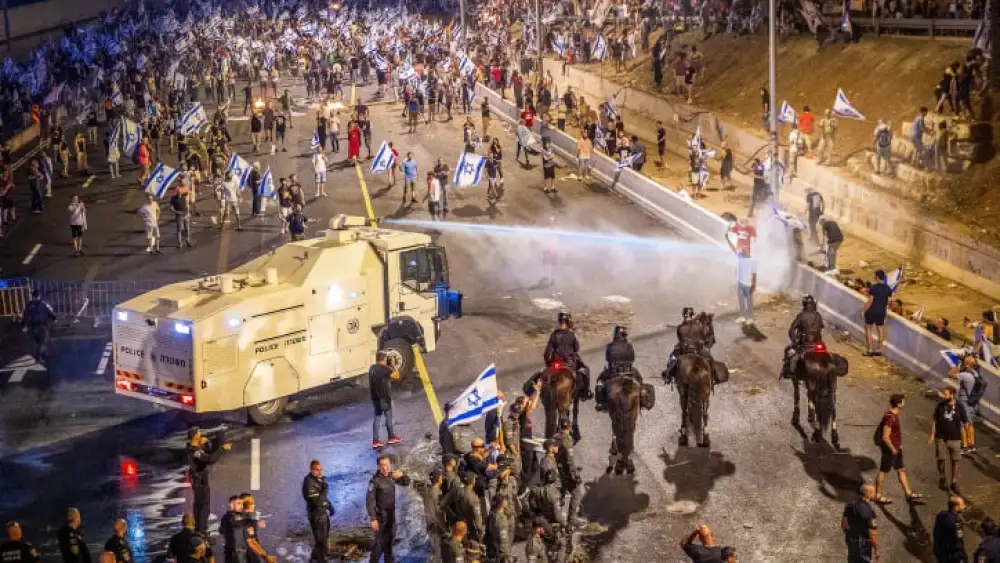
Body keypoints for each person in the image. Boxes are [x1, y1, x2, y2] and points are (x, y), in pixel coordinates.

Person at [875, 393, 921, 504]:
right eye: (903, 401)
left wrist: (898, 445)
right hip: (890, 450)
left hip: (896, 448)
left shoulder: (893, 415)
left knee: (901, 469)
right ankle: (878, 495)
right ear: (898, 404)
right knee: (883, 471)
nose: (904, 403)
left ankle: (908, 493)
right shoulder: (890, 418)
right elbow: (885, 437)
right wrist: (893, 449)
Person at [366, 455, 411, 563]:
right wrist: (373, 518)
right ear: (378, 466)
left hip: (391, 515)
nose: (385, 467)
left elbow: (406, 482)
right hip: (380, 517)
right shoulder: (374, 481)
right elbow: (369, 500)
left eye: (387, 464)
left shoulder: (392, 476)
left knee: (389, 544)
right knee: (379, 544)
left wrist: (402, 475)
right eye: (382, 465)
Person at [187, 426, 232, 533]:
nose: (201, 434)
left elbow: (208, 452)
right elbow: (210, 459)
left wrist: (207, 444)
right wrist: (222, 449)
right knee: (203, 507)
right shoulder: (194, 451)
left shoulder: (194, 447)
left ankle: (200, 529)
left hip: (200, 479)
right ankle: (202, 531)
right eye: (199, 433)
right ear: (195, 436)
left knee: (201, 505)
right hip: (199, 481)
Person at [543, 311, 593, 401]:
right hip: (569, 364)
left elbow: (547, 353)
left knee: (542, 376)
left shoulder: (553, 335)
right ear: (567, 322)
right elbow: (577, 348)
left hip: (556, 364)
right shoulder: (571, 334)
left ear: (559, 321)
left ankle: (540, 394)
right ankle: (585, 392)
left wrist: (548, 364)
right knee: (586, 370)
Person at [929, 386, 967, 495]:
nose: (943, 396)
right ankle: (942, 478)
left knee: (955, 460)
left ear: (952, 395)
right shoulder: (940, 406)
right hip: (940, 437)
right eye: (943, 394)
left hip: (955, 438)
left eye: (946, 394)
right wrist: (932, 435)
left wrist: (965, 441)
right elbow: (935, 420)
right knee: (941, 459)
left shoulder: (960, 407)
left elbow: (963, 424)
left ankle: (954, 481)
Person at [664, 307, 714, 385]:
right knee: (710, 359)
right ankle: (714, 377)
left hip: (684, 350)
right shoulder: (699, 326)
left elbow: (680, 339)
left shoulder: (680, 328)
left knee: (672, 358)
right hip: (698, 349)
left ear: (684, 316)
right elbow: (703, 337)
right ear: (693, 315)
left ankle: (668, 376)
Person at [781, 295, 825, 379]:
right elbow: (821, 327)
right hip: (818, 345)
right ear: (813, 304)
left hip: (805, 345)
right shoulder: (818, 316)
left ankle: (791, 373)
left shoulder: (801, 316)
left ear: (804, 304)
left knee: (793, 357)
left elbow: (792, 329)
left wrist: (794, 340)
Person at [596, 325, 637, 411]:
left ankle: (601, 402)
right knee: (639, 379)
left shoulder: (610, 345)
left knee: (599, 381)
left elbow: (607, 358)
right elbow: (632, 358)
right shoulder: (629, 345)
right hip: (628, 370)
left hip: (613, 371)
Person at [302, 460, 334, 563]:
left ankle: (315, 558)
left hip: (323, 515)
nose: (320, 472)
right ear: (311, 470)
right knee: (321, 543)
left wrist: (330, 506)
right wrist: (325, 490)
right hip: (316, 516)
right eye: (317, 470)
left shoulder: (319, 479)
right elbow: (317, 502)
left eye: (321, 470)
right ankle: (321, 559)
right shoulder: (309, 483)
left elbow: (323, 499)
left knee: (323, 540)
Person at [369, 350, 402, 448]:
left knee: (377, 419)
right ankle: (391, 437)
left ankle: (375, 441)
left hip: (375, 398)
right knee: (388, 418)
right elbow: (397, 376)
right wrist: (393, 365)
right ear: (384, 359)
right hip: (385, 398)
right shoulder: (385, 369)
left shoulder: (372, 368)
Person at [951, 353, 983, 455]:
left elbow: (950, 374)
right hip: (973, 401)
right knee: (970, 423)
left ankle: (965, 446)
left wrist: (957, 364)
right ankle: (972, 445)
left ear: (967, 364)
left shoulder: (964, 375)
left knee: (962, 424)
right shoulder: (976, 374)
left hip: (964, 401)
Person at [842, 482, 880, 563]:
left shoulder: (850, 505)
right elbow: (872, 532)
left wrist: (848, 536)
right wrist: (876, 549)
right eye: (874, 492)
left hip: (851, 544)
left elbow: (844, 524)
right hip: (863, 547)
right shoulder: (870, 511)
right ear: (869, 493)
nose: (875, 494)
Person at [21, 290, 56, 363]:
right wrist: (54, 318)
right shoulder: (43, 304)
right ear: (39, 296)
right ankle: (38, 357)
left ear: (33, 296)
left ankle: (44, 353)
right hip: (43, 326)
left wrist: (25, 326)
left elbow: (26, 316)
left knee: (38, 342)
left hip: (33, 327)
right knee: (43, 342)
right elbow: (49, 312)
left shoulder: (28, 305)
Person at [863, 269, 893, 356]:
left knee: (868, 329)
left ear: (876, 277)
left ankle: (870, 349)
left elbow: (870, 301)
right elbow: (890, 301)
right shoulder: (888, 288)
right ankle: (879, 349)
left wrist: (864, 310)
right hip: (881, 312)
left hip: (872, 311)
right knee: (880, 330)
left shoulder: (873, 287)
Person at [933, 496, 968, 563]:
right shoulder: (956, 523)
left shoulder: (941, 515)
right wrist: (964, 558)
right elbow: (958, 544)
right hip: (950, 556)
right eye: (962, 505)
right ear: (956, 507)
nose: (964, 506)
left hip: (939, 551)